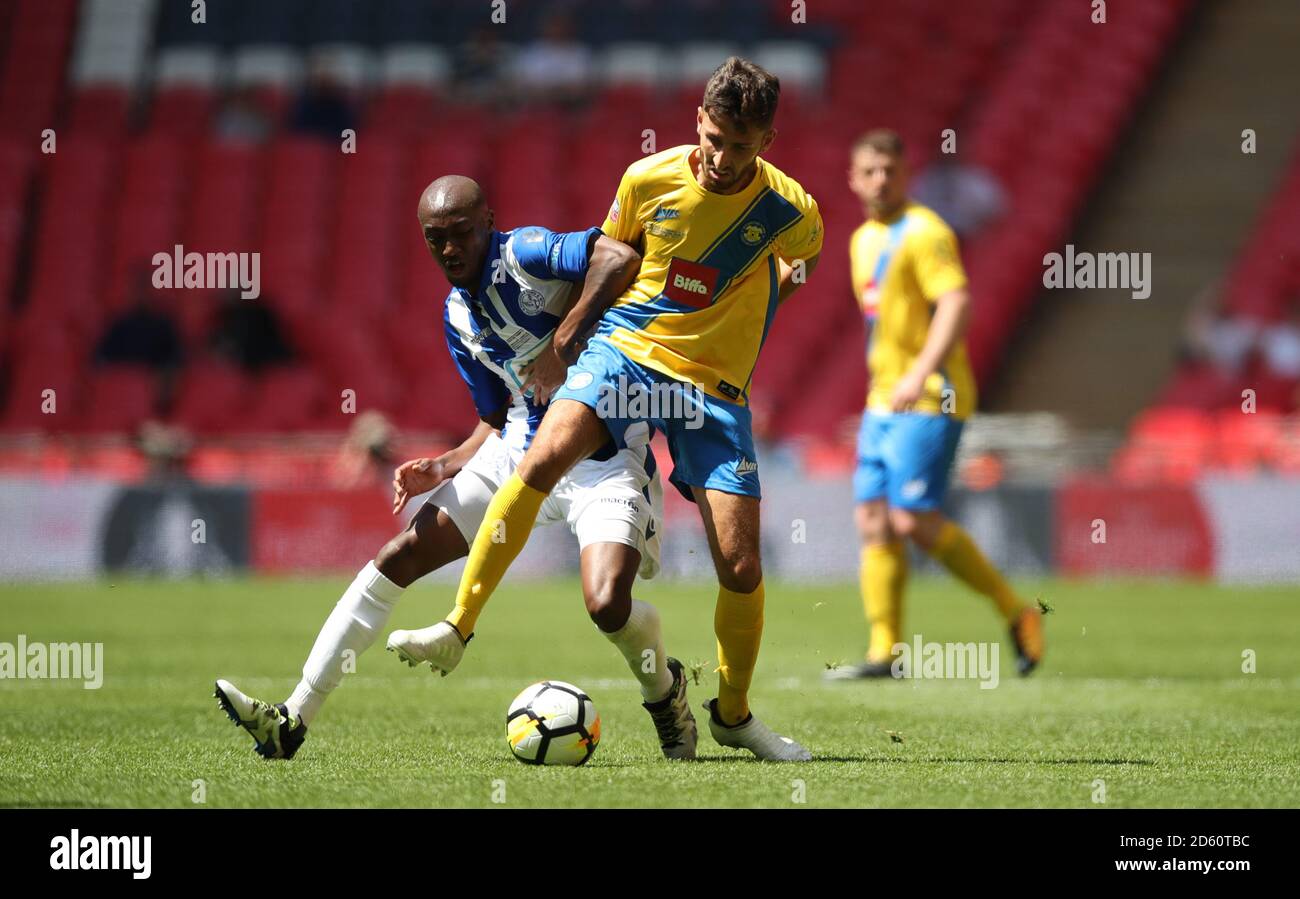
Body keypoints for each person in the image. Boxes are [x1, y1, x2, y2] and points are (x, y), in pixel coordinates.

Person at [419, 58, 824, 761]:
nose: (723, 158)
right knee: (543, 456)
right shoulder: (648, 180)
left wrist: (762, 304)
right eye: (715, 137)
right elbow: (615, 255)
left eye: (741, 145)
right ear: (698, 120)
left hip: (713, 386)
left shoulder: (792, 211)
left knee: (740, 565)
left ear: (768, 140)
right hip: (629, 351)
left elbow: (799, 260)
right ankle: (458, 623)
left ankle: (731, 714)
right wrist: (574, 331)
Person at [214, 176, 697, 761]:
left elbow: (620, 256)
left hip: (603, 458)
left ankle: (665, 692)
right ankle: (292, 719)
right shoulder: (457, 317)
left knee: (607, 605)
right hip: (518, 450)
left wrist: (560, 343)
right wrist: (444, 464)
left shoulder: (528, 253)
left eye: (461, 234)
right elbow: (496, 415)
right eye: (434, 239)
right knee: (399, 556)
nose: (449, 249)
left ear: (488, 223)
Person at [826, 129, 1044, 681]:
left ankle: (1015, 611)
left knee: (911, 518)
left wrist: (920, 373)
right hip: (883, 401)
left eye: (891, 171)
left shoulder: (925, 232)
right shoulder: (861, 240)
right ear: (854, 179)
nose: (881, 180)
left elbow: (956, 302)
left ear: (907, 175)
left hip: (931, 396)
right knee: (873, 521)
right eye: (871, 171)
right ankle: (885, 653)